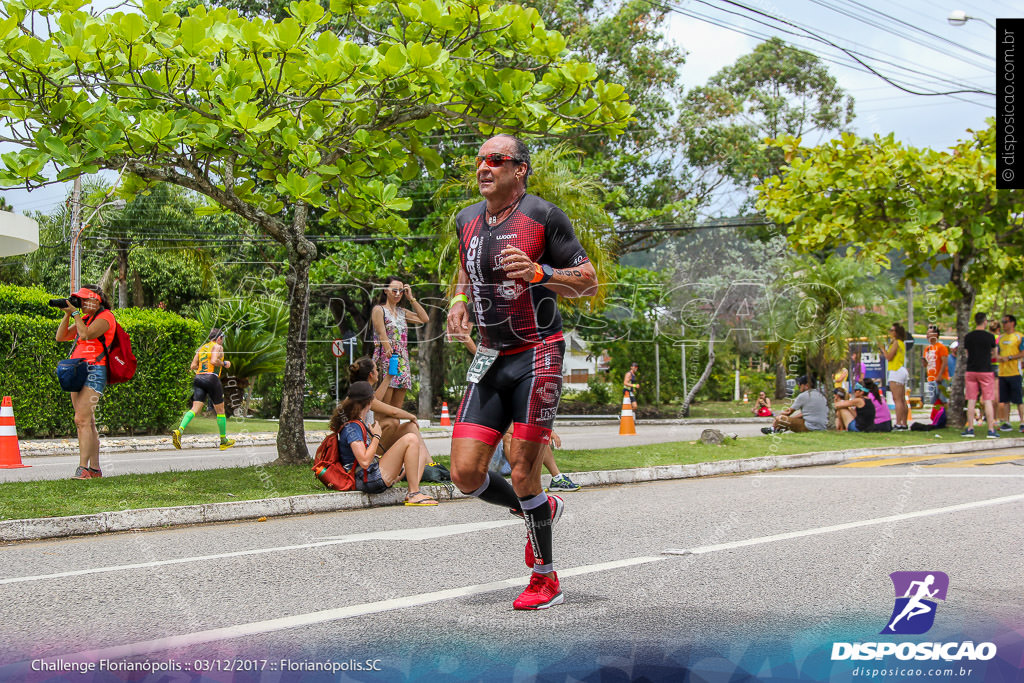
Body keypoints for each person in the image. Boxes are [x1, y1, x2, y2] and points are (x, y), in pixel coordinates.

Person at [447, 134, 598, 610]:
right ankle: (539, 511)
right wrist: (457, 301)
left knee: (524, 469)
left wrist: (538, 274)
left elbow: (587, 281)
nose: (484, 167)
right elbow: (466, 269)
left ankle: (544, 578)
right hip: (490, 355)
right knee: (465, 474)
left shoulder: (544, 217)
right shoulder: (466, 219)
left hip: (538, 354)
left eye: (497, 160)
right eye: (480, 161)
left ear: (520, 170)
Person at [329, 381, 437, 505]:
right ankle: (414, 494)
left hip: (370, 474)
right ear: (369, 403)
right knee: (411, 439)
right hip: (367, 479)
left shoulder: (357, 423)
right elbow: (364, 462)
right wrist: (376, 436)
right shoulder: (352, 427)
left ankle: (412, 492)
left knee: (420, 450)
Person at [55, 286, 115, 479]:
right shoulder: (85, 317)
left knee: (81, 420)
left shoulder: (105, 317)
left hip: (94, 370)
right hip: (78, 369)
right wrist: (67, 314)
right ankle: (95, 469)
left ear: (96, 301)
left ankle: (83, 469)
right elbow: (61, 337)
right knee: (87, 421)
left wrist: (75, 314)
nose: (80, 304)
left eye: (82, 300)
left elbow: (86, 334)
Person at [347, 356, 433, 467]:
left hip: (369, 440)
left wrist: (389, 376)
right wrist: (412, 416)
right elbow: (393, 412)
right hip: (364, 447)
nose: (378, 372)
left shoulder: (362, 390)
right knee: (392, 422)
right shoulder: (362, 394)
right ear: (371, 375)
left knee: (410, 427)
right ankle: (376, 460)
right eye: (376, 369)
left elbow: (376, 398)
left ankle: (429, 464)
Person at [172, 329, 235, 451]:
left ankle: (179, 430)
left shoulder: (202, 348)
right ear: (218, 338)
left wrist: (202, 370)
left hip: (199, 377)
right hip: (211, 378)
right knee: (221, 411)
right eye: (222, 338)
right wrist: (224, 363)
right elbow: (214, 361)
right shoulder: (217, 347)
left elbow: (193, 366)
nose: (222, 341)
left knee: (195, 409)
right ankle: (223, 441)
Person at [371, 277, 428, 410]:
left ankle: (393, 429)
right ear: (385, 290)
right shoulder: (379, 309)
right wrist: (388, 351)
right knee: (384, 404)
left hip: (403, 360)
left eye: (401, 291)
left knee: (397, 406)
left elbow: (424, 319)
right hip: (387, 357)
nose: (398, 294)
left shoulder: (402, 312)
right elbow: (381, 333)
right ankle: (379, 429)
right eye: (394, 290)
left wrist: (411, 298)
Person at [962, 312, 998, 439]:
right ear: (985, 321)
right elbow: (995, 354)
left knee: (971, 400)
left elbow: (967, 354)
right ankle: (991, 430)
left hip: (971, 370)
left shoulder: (968, 337)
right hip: (986, 370)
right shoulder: (990, 337)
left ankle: (970, 428)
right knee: (988, 400)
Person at [761, 375, 827, 434]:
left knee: (781, 418)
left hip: (809, 427)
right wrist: (791, 419)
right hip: (822, 427)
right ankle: (776, 430)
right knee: (790, 421)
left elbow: (788, 412)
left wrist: (777, 420)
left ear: (806, 385)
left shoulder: (803, 396)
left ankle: (773, 429)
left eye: (800, 384)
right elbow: (804, 414)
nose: (798, 385)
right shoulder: (821, 394)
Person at [996, 314, 1024, 432]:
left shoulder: (1019, 336)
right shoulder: (1001, 338)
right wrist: (999, 358)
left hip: (1015, 372)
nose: (1003, 324)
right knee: (1005, 399)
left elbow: (1023, 353)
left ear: (1012, 323)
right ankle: (1007, 422)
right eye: (1002, 322)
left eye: (1005, 322)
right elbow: (996, 353)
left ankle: (1022, 422)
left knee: (1018, 399)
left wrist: (1011, 357)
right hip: (1002, 373)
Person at [879, 322, 910, 430]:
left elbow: (889, 357)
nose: (890, 332)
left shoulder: (896, 342)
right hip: (901, 369)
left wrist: (883, 348)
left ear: (896, 333)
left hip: (896, 370)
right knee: (902, 399)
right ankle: (904, 423)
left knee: (897, 399)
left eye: (892, 330)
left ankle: (898, 423)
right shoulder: (901, 342)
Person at [922, 325, 949, 405]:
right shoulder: (927, 348)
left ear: (936, 334)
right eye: (927, 334)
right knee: (934, 401)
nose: (927, 336)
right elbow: (926, 365)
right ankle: (937, 416)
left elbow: (944, 362)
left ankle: (946, 416)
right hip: (931, 378)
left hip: (941, 378)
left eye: (929, 333)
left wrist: (940, 375)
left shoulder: (941, 347)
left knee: (942, 400)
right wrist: (924, 362)